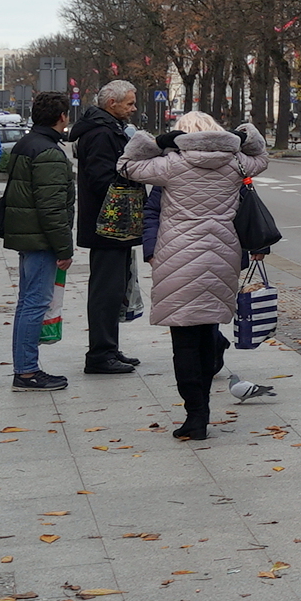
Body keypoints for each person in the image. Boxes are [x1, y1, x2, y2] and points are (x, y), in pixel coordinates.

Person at [119, 111, 267, 439]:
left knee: (184, 342)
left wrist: (157, 142)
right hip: (223, 256)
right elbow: (261, 153)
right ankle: (203, 407)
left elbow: (126, 165)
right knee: (207, 330)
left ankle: (195, 416)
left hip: (177, 257)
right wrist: (241, 135)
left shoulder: (170, 164)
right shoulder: (236, 164)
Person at [0, 95, 76, 391]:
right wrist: (64, 248)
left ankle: (24, 368)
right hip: (42, 240)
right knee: (35, 304)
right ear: (62, 116)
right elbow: (51, 206)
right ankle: (27, 372)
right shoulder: (49, 151)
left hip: (28, 236)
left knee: (26, 303)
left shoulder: (26, 144)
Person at [70, 80, 142, 376]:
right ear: (112, 104)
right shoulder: (101, 132)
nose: (134, 108)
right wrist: (132, 178)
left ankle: (108, 347)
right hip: (108, 225)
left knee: (114, 290)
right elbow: (102, 179)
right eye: (130, 103)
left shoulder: (108, 128)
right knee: (106, 291)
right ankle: (100, 353)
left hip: (113, 225)